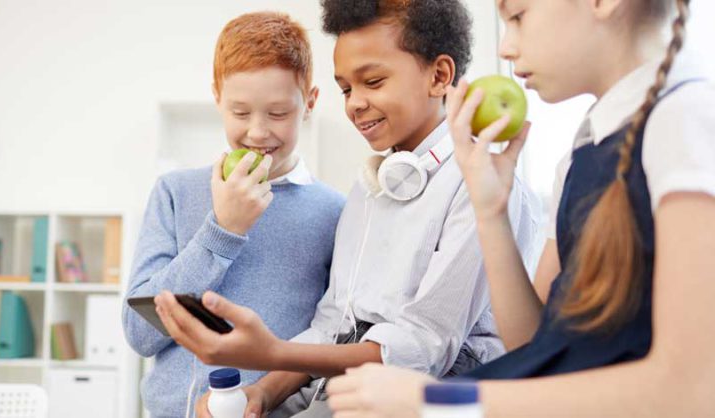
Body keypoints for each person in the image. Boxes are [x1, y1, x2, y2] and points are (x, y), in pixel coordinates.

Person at [325, 0, 715, 416]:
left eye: (518, 17)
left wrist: (431, 402)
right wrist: (490, 211)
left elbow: (690, 390)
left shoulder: (686, 118)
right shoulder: (584, 151)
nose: (506, 48)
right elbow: (535, 346)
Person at [155, 1, 540, 417]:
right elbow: (332, 324)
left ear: (439, 76)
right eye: (346, 89)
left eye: (372, 81)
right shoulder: (371, 187)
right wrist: (264, 393)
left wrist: (275, 352)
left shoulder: (479, 187)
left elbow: (424, 346)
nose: (355, 103)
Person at [121, 12, 345, 417]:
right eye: (240, 113)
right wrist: (223, 229)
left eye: (278, 113)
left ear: (309, 102)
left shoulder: (334, 212)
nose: (258, 132)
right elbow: (140, 334)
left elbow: (329, 340)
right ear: (218, 98)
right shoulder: (174, 192)